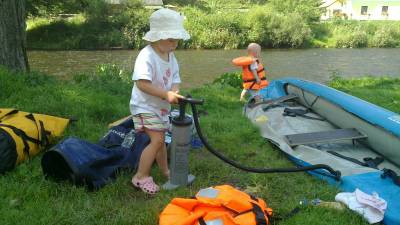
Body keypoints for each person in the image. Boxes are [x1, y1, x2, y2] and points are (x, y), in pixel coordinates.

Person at [129, 8, 190, 195]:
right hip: (144, 106)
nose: (175, 43)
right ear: (156, 37)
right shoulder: (146, 55)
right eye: (171, 39)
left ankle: (165, 171)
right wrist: (165, 95)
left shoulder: (171, 56)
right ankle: (140, 177)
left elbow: (176, 79)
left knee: (161, 141)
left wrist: (175, 92)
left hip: (160, 108)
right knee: (157, 140)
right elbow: (141, 84)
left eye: (177, 39)